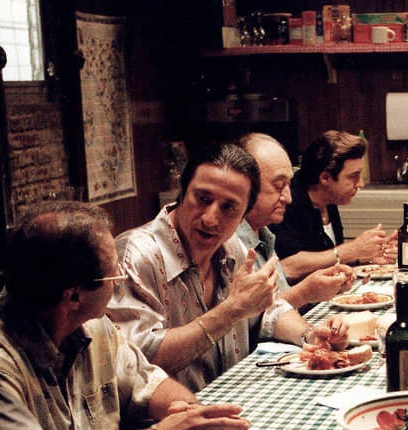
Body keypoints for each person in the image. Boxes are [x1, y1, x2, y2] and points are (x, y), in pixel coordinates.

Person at [0, 202, 250, 430]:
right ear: (74, 296)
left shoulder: (90, 323)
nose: (120, 279)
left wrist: (187, 414)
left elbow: (150, 382)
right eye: (113, 273)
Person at [107, 142, 347, 392]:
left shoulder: (231, 246)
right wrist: (231, 311)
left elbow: (268, 310)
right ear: (182, 192)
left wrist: (310, 336)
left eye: (228, 207)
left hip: (232, 397)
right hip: (172, 413)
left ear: (245, 215)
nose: (210, 219)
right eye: (202, 199)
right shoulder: (136, 255)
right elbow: (137, 363)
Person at [236, 132, 354, 311]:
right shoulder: (230, 243)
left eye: (288, 185)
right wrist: (306, 292)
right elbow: (250, 318)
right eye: (278, 186)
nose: (288, 198)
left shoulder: (264, 233)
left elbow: (278, 308)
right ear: (245, 186)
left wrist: (319, 290)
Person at [270, 130, 397, 281]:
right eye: (354, 176)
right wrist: (353, 249)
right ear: (325, 178)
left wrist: (365, 256)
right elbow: (288, 267)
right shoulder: (288, 201)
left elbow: (328, 258)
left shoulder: (329, 198)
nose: (361, 184)